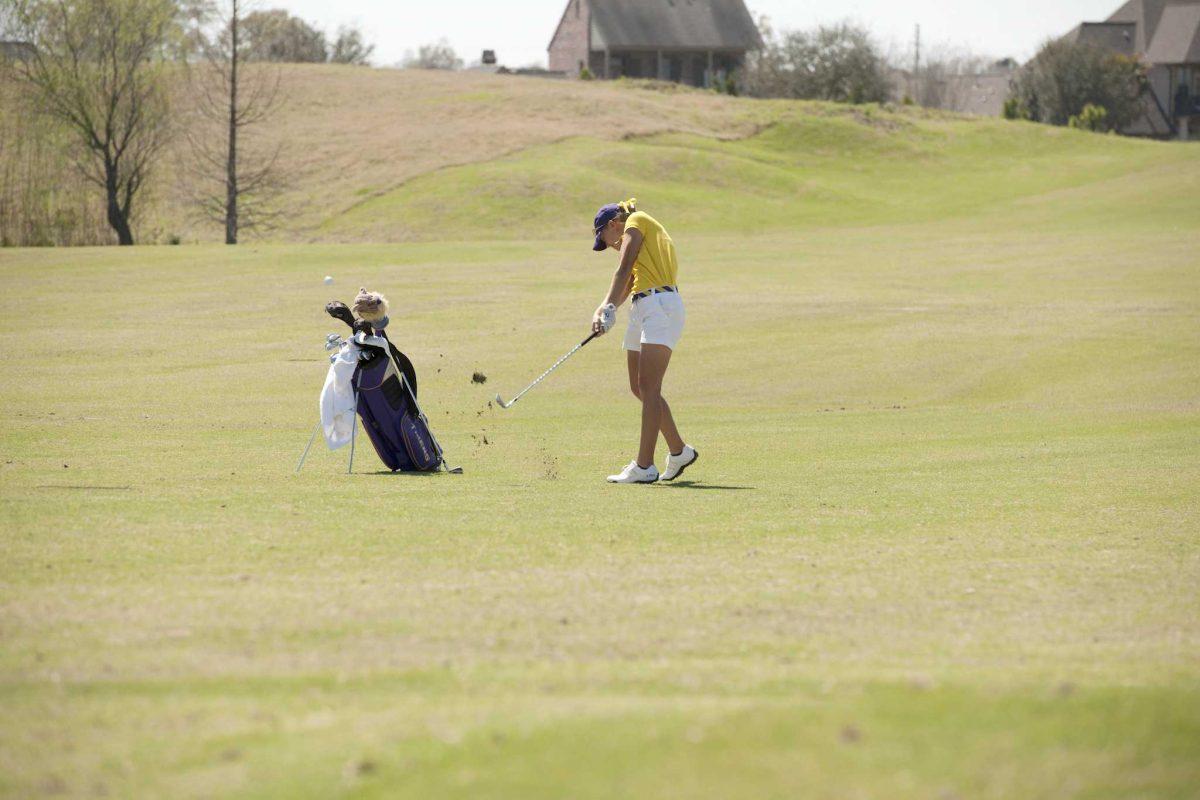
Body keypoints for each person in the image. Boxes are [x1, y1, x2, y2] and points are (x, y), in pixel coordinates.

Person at [590, 198, 698, 484]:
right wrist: (604, 309)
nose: (612, 245)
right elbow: (628, 281)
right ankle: (679, 451)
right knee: (639, 387)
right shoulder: (637, 238)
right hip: (643, 306)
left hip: (661, 305)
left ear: (615, 224)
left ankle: (644, 466)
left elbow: (622, 268)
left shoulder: (636, 223)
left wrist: (610, 308)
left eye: (607, 239)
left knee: (650, 387)